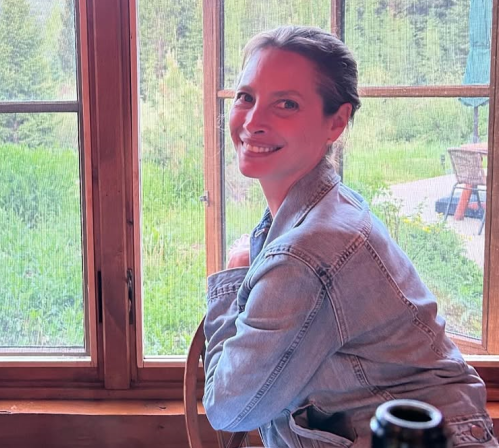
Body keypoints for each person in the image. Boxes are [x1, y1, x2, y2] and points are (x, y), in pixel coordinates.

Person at [203, 25, 497, 448]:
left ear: (336, 122)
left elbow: (228, 407)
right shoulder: (322, 208)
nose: (253, 121)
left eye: (286, 104)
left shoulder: (307, 252)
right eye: (246, 97)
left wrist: (233, 280)